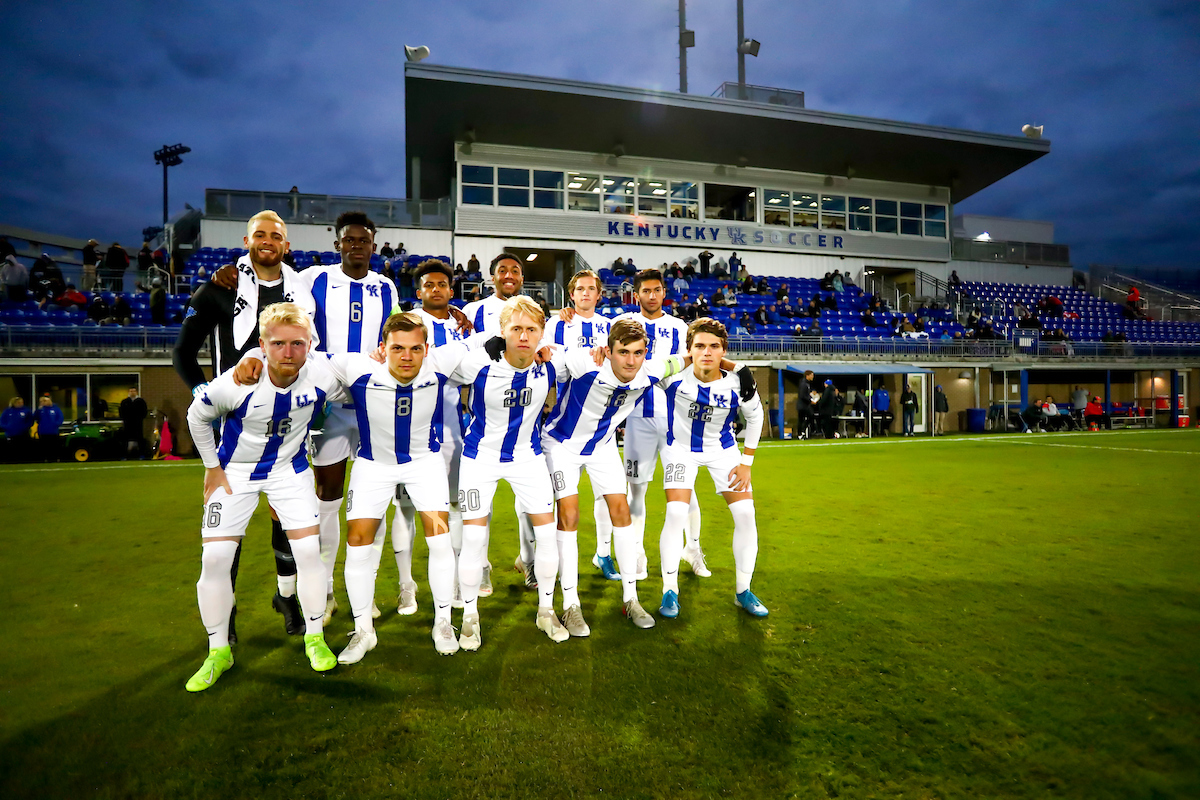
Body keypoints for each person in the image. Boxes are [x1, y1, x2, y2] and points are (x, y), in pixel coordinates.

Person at [172, 209, 318, 641]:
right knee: (227, 533)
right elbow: (182, 353)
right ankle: (228, 616)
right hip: (234, 427)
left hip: (289, 419)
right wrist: (207, 396)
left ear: (286, 245)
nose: (267, 241)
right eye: (260, 234)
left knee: (285, 516)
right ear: (247, 240)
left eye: (275, 235)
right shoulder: (220, 287)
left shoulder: (302, 291)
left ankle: (286, 597)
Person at [183, 304, 344, 691]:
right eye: (277, 344)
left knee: (309, 553)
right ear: (262, 345)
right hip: (234, 473)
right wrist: (212, 467)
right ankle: (218, 651)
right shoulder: (236, 382)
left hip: (289, 471)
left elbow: (360, 375)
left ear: (310, 344)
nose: (288, 352)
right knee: (215, 559)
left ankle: (314, 637)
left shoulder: (322, 375)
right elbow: (196, 416)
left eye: (297, 344)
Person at [542, 320, 697, 631]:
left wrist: (732, 366)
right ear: (608, 351)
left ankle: (631, 598)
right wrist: (543, 351)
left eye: (638, 353)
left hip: (602, 447)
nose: (630, 361)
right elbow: (548, 353)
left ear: (645, 353)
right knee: (569, 515)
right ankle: (571, 605)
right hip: (561, 445)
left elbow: (685, 359)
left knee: (622, 512)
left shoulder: (650, 371)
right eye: (623, 352)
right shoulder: (585, 362)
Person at [448, 297, 562, 648]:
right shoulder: (476, 364)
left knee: (547, 534)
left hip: (528, 458)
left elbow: (602, 359)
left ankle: (546, 610)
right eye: (516, 329)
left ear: (542, 332)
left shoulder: (553, 363)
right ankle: (470, 616)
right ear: (502, 331)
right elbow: (434, 367)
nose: (524, 337)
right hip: (479, 457)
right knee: (473, 538)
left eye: (531, 329)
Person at [655, 317, 768, 619]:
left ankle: (743, 591)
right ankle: (669, 590)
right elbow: (649, 368)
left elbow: (756, 418)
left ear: (723, 350)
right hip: (680, 450)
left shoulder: (738, 383)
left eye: (714, 346)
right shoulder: (673, 376)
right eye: (700, 346)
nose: (707, 352)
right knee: (676, 513)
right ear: (689, 349)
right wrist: (735, 365)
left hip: (723, 451)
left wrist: (746, 463)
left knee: (746, 514)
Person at [612, 269, 704, 581]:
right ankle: (637, 553)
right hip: (638, 419)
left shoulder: (679, 327)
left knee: (686, 489)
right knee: (636, 490)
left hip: (675, 420)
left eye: (656, 290)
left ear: (664, 292)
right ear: (636, 294)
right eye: (645, 291)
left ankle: (693, 549)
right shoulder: (624, 323)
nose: (651, 296)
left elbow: (693, 365)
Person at [463, 253, 525, 334]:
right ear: (493, 278)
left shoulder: (534, 312)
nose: (509, 276)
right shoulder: (472, 310)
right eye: (502, 271)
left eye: (515, 271)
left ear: (522, 279)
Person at [32, 395, 64, 462]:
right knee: (44, 445)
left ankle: (55, 458)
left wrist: (55, 424)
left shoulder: (55, 409)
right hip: (43, 431)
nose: (43, 402)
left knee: (54, 445)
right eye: (42, 401)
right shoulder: (40, 410)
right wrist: (38, 410)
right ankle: (45, 458)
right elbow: (35, 417)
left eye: (45, 401)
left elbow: (60, 417)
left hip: (53, 431)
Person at [119, 387, 148, 459]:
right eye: (131, 391)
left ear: (136, 392)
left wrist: (139, 419)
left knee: (140, 439)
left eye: (134, 391)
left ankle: (142, 455)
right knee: (125, 440)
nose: (132, 392)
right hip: (127, 424)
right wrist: (125, 419)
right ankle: (124, 456)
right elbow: (121, 412)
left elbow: (144, 411)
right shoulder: (125, 402)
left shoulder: (141, 401)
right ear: (129, 392)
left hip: (138, 424)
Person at [2, 397, 34, 462]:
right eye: (19, 402)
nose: (20, 404)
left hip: (23, 433)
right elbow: (2, 421)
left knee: (23, 447)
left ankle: (24, 460)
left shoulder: (26, 411)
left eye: (22, 402)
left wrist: (25, 427)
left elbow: (30, 421)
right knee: (12, 447)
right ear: (14, 403)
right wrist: (7, 427)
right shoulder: (7, 411)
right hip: (11, 433)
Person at [795, 370, 814, 440]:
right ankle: (800, 433)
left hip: (805, 405)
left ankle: (802, 432)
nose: (812, 377)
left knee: (808, 417)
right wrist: (810, 400)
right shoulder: (804, 384)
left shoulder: (806, 384)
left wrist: (811, 396)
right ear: (807, 376)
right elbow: (802, 395)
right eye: (811, 375)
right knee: (803, 419)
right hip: (802, 405)